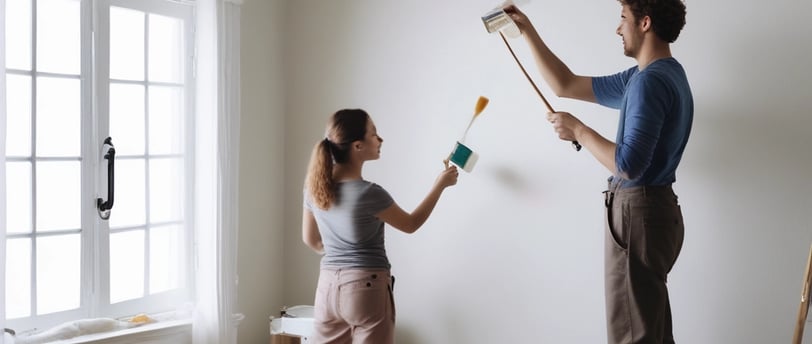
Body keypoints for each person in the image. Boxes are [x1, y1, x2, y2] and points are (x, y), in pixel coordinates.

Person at [505, 1, 693, 343]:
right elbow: (564, 84)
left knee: (632, 335)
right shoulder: (659, 75)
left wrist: (578, 131)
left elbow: (628, 165)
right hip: (657, 212)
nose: (617, 28)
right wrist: (526, 30)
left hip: (638, 212)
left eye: (623, 19)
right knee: (651, 332)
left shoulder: (649, 83)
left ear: (645, 23)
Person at [301, 109, 459, 344]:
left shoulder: (314, 189)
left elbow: (311, 240)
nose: (380, 139)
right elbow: (411, 224)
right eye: (374, 134)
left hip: (327, 286)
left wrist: (341, 252)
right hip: (365, 288)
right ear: (357, 146)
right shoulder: (369, 193)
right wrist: (440, 185)